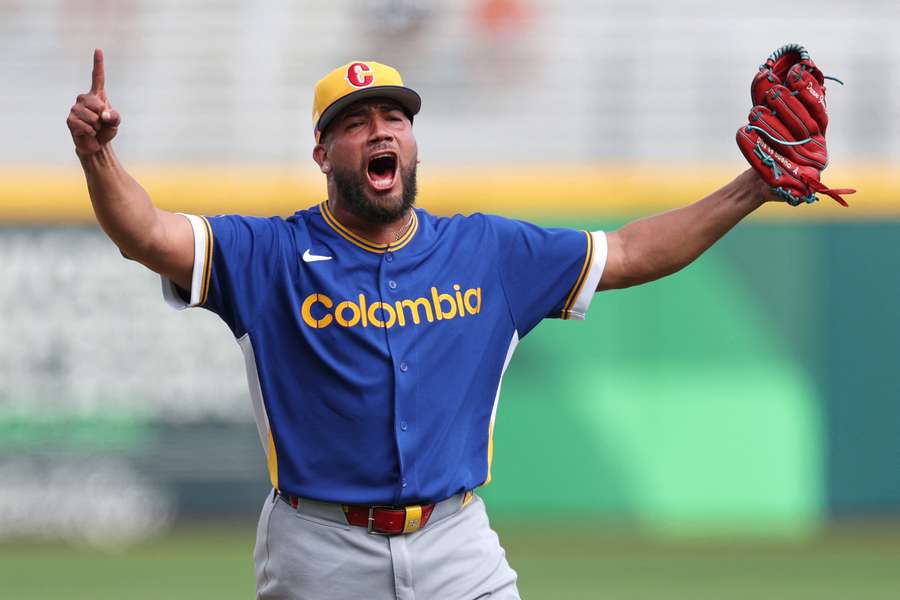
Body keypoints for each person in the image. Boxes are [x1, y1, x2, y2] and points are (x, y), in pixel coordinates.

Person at [67, 50, 772, 599]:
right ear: (322, 155)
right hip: (319, 549)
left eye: (394, 118)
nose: (380, 130)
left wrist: (754, 186)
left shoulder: (487, 251)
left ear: (412, 143)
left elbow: (631, 252)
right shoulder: (271, 255)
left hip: (455, 543)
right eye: (354, 122)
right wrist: (98, 156)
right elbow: (146, 234)